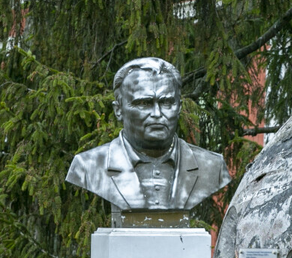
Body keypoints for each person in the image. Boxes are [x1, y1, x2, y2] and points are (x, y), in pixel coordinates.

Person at [66, 58, 230, 211]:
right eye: (144, 103)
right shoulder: (87, 166)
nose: (157, 113)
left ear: (179, 107)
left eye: (166, 102)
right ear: (118, 110)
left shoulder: (212, 166)